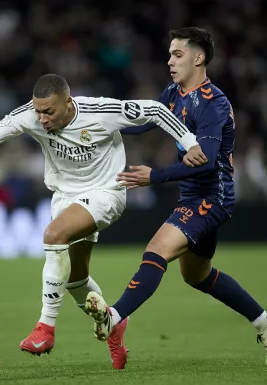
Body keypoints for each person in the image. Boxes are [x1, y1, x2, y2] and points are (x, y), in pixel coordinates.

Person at [0, 73, 207, 369]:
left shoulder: (102, 110)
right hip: (66, 198)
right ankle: (113, 325)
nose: (42, 119)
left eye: (49, 112)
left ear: (68, 103)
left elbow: (155, 110)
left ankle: (45, 328)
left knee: (53, 235)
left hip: (107, 192)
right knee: (75, 280)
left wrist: (191, 142)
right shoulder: (30, 115)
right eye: (39, 111)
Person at [84, 27, 267, 364]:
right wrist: (95, 122)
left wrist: (155, 176)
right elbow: (142, 122)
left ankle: (116, 317)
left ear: (198, 58)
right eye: (169, 54)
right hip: (191, 197)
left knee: (156, 250)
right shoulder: (173, 93)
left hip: (213, 196)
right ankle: (264, 323)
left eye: (177, 54)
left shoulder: (213, 103)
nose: (169, 61)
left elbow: (206, 162)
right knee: (197, 276)